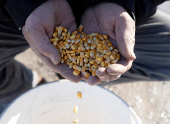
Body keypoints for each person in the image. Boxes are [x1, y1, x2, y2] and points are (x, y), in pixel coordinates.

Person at [0, 0, 169, 114]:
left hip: (111, 12)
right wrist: (28, 5)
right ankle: (28, 86)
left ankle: (67, 78)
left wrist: (124, 4)